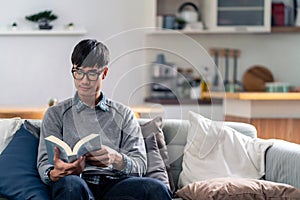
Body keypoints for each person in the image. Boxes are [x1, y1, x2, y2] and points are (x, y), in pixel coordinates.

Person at [37, 39, 172, 200]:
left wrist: (115, 159)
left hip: (116, 184)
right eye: (78, 71)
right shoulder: (55, 114)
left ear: (104, 73)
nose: (84, 80)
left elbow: (140, 165)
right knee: (71, 185)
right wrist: (54, 173)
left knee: (156, 188)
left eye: (92, 73)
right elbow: (44, 162)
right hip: (76, 182)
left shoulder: (124, 114)